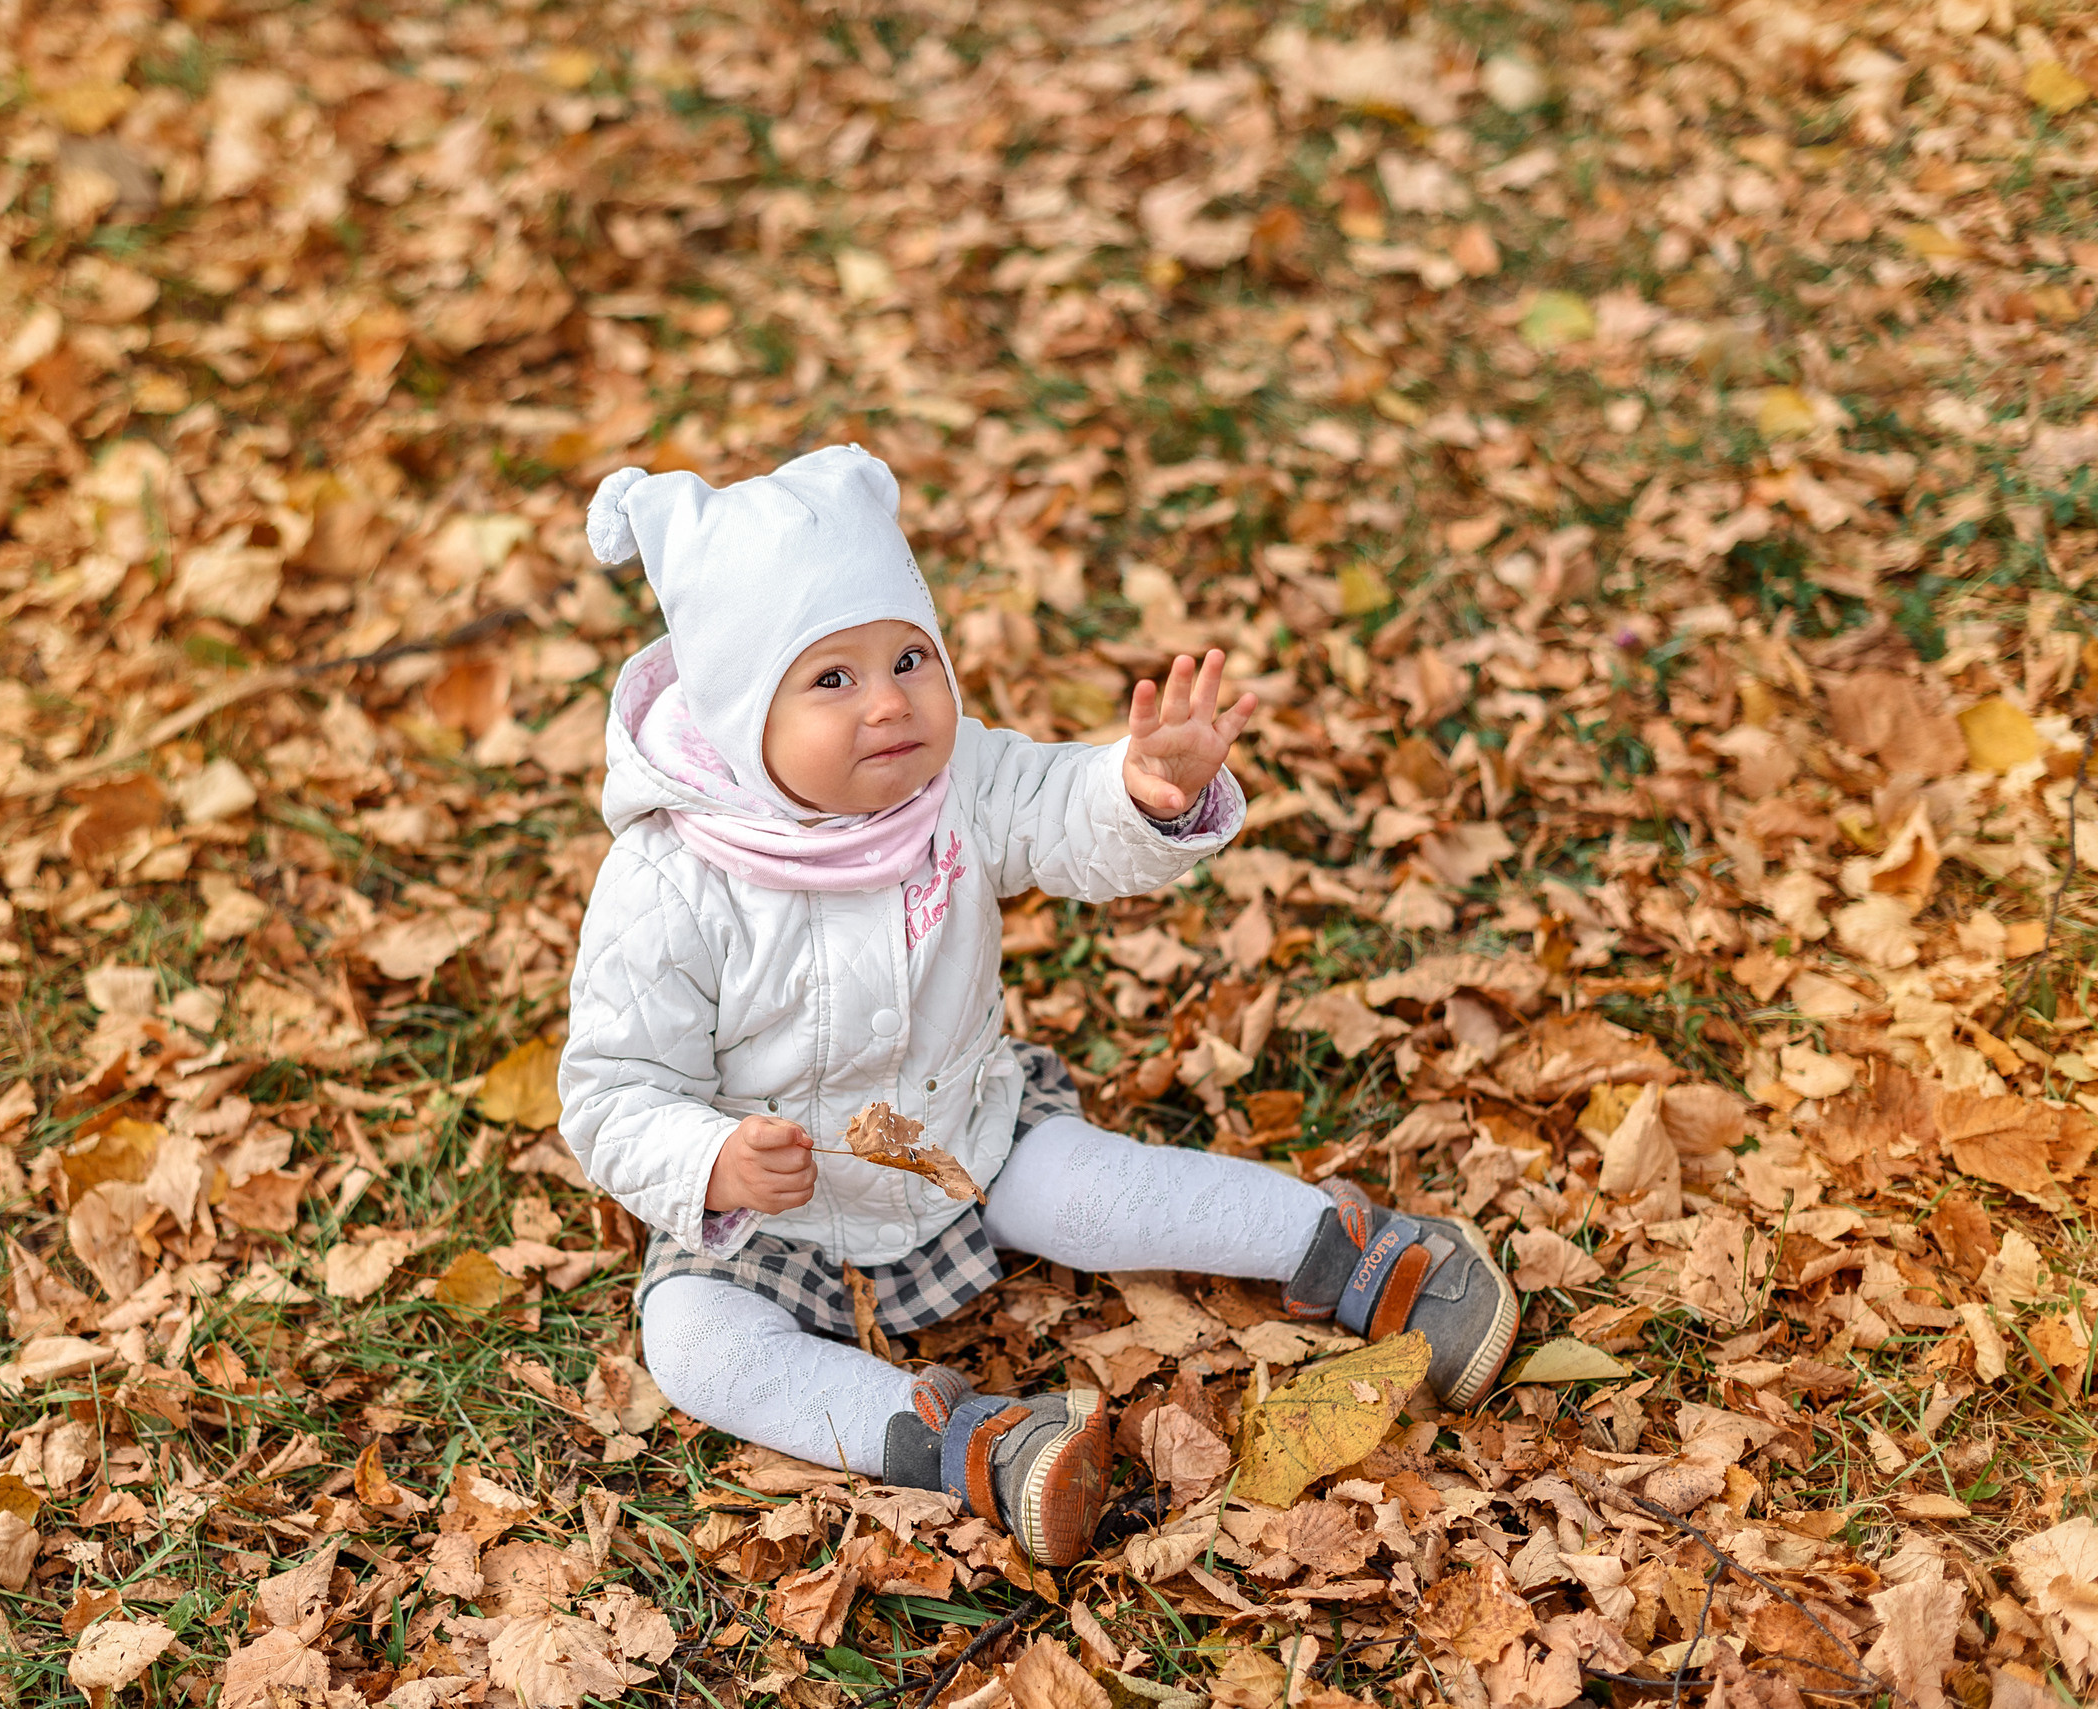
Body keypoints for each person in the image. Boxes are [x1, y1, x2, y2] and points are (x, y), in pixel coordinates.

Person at [557, 446, 1517, 1567]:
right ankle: (972, 1446)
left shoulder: (952, 783)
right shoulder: (670, 882)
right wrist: (709, 1157)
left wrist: (1142, 790)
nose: (888, 703)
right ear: (733, 711)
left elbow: (1058, 805)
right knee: (691, 1341)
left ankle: (1358, 1250)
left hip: (958, 1138)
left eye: (909, 657)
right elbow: (613, 1086)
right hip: (774, 1209)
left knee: (1090, 1191)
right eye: (830, 678)